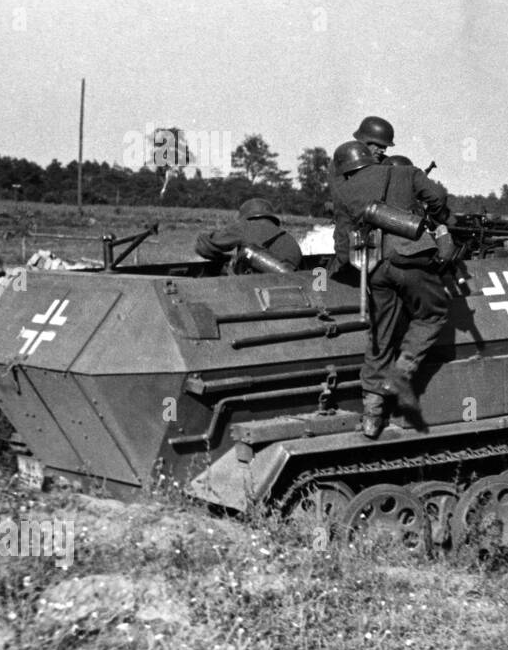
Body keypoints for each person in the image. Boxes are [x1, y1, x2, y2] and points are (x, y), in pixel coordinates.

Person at [329, 140, 452, 438]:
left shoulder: (343, 191)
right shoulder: (406, 173)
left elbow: (343, 245)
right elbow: (437, 199)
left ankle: (372, 414)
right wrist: (437, 220)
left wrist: (339, 272)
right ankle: (401, 374)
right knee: (433, 313)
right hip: (410, 258)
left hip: (373, 267)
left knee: (380, 336)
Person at [194, 198, 302, 273]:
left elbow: (202, 246)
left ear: (245, 216)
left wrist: (226, 259)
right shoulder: (286, 236)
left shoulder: (245, 226)